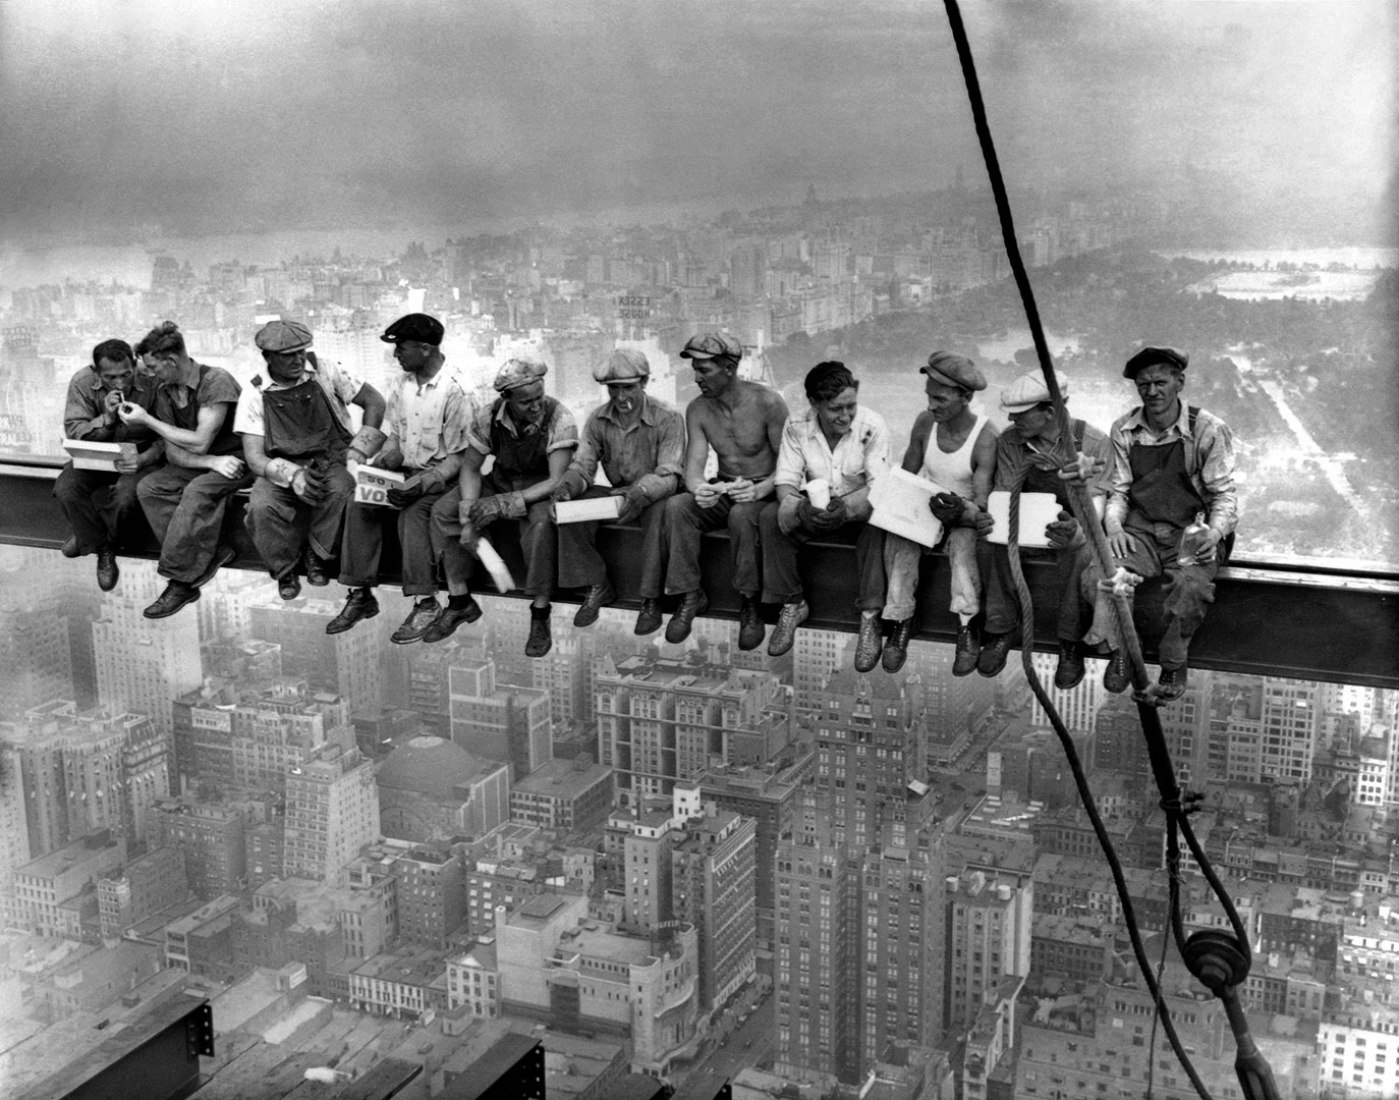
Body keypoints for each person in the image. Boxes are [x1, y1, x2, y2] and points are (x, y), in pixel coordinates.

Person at [1081, 346, 1238, 701]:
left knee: (1191, 588)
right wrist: (1115, 527)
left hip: (1192, 532)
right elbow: (1118, 491)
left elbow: (1224, 495)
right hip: (1141, 531)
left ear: (1179, 382)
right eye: (1143, 385)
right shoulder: (1125, 429)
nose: (1152, 392)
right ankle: (1123, 650)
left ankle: (1173, 660)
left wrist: (1214, 532)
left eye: (1160, 382)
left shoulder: (1208, 429)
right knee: (1102, 576)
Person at [326, 313, 475, 644]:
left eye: (402, 349)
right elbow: (395, 435)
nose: (397, 356)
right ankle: (360, 593)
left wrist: (421, 484)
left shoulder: (456, 390)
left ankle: (425, 603)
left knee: (414, 514)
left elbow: (459, 458)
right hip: (406, 473)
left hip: (441, 481)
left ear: (424, 349)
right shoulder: (402, 385)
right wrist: (382, 463)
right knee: (360, 500)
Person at [975, 370, 1110, 688]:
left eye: (1020, 414)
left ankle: (1070, 642)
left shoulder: (1093, 442)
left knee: (1080, 551)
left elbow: (1097, 503)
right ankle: (1001, 627)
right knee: (993, 541)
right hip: (1027, 520)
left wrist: (1078, 530)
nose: (1011, 418)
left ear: (1050, 412)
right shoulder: (1011, 441)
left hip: (1075, 524)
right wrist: (995, 518)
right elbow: (1006, 492)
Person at [235, 319, 386, 600]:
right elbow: (255, 458)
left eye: (301, 351)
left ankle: (318, 555)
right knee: (260, 506)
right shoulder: (254, 392)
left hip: (331, 459)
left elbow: (375, 401)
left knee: (341, 491)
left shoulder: (325, 369)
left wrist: (360, 449)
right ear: (268, 357)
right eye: (287, 355)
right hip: (282, 466)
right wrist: (292, 475)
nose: (297, 359)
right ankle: (284, 569)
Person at [438, 358, 578, 657]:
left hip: (539, 490)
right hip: (501, 480)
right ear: (507, 399)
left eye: (539, 398)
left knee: (541, 526)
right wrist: (468, 510)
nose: (536, 406)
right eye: (526, 402)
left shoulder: (560, 418)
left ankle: (540, 611)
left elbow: (556, 480)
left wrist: (502, 505)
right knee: (444, 510)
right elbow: (471, 468)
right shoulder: (488, 416)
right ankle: (461, 597)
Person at [759, 360, 890, 668]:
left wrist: (845, 509)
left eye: (850, 407)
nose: (845, 416)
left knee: (878, 526)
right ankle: (792, 603)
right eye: (835, 409)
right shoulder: (796, 425)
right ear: (815, 404)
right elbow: (786, 481)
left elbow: (879, 486)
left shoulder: (872, 426)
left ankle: (870, 617)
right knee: (769, 518)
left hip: (858, 509)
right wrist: (801, 508)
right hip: (816, 507)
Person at [664, 332, 788, 649]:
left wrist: (760, 489)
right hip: (726, 486)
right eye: (695, 369)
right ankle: (690, 594)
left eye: (704, 370)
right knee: (678, 507)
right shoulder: (698, 410)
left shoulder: (769, 404)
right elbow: (693, 467)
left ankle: (749, 603)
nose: (697, 378)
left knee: (742, 516)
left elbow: (790, 466)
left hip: (765, 490)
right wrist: (700, 489)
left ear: (729, 368)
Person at [551, 348, 684, 634]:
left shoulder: (668, 418)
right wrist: (566, 488)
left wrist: (639, 492)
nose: (621, 398)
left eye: (628, 388)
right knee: (569, 511)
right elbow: (584, 466)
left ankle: (650, 599)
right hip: (619, 495)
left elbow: (669, 474)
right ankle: (597, 583)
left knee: (660, 515)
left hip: (654, 494)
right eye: (614, 389)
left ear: (644, 383)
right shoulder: (598, 419)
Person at [880, 351, 998, 674]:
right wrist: (899, 509)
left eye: (940, 399)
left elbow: (983, 500)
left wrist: (961, 511)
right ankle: (901, 618)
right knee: (900, 539)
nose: (931, 405)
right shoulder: (924, 423)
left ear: (966, 397)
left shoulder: (985, 438)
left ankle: (967, 624)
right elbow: (907, 475)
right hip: (927, 506)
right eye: (929, 397)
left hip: (962, 515)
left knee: (962, 547)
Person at [124, 322, 251, 618]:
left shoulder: (215, 381)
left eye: (154, 367)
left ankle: (180, 582)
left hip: (238, 460)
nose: (151, 374)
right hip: (210, 462)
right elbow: (173, 449)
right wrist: (210, 462)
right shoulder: (166, 390)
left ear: (172, 360)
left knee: (196, 492)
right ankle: (212, 552)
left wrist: (148, 421)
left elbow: (199, 440)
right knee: (150, 487)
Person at [55, 338, 164, 591]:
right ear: (96, 372)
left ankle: (87, 535)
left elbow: (166, 433)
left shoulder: (152, 380)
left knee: (127, 497)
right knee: (66, 489)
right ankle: (102, 547)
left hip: (140, 456)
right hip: (97, 454)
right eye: (110, 377)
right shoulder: (82, 382)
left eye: (126, 375)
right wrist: (106, 419)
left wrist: (144, 459)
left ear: (134, 365)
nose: (120, 383)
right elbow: (75, 431)